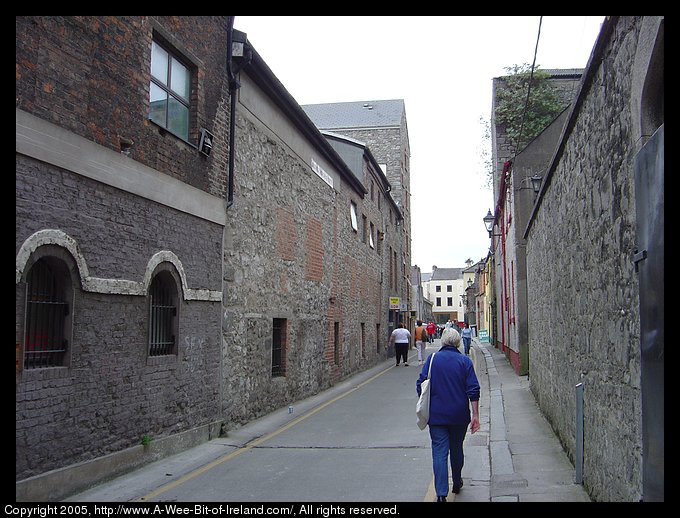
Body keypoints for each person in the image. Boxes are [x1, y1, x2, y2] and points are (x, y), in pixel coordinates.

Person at [416, 327, 480, 502]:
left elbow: (420, 384)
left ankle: (441, 494)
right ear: (458, 342)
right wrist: (475, 415)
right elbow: (473, 389)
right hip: (459, 415)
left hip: (436, 416)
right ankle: (457, 480)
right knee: (457, 448)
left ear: (443, 341)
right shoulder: (464, 362)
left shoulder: (432, 359)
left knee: (439, 452)